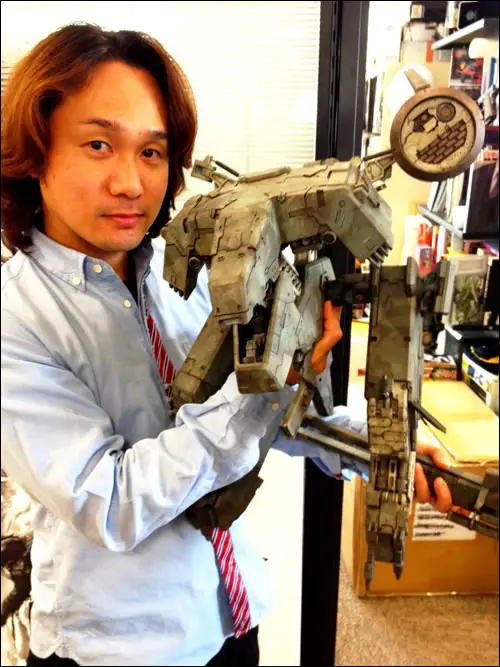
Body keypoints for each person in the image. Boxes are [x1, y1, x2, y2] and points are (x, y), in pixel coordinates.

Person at [1, 23, 453, 667]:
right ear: (34, 153)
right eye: (98, 144)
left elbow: (250, 417)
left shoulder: (182, 273)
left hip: (231, 617)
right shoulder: (16, 317)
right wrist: (269, 387)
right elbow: (111, 500)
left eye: (152, 152)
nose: (130, 182)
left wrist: (373, 446)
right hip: (124, 649)